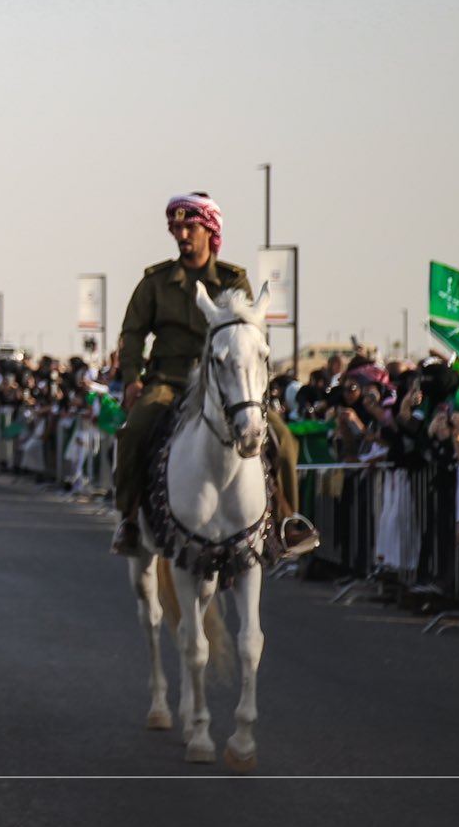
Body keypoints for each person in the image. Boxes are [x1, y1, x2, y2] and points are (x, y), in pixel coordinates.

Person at [109, 193, 318, 560]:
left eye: (190, 226)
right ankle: (127, 519)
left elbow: (250, 335)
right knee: (133, 433)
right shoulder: (155, 282)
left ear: (210, 230)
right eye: (176, 228)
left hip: (223, 385)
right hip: (168, 382)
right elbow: (132, 334)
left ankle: (289, 520)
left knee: (283, 440)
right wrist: (131, 379)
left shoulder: (233, 280)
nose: (182, 234)